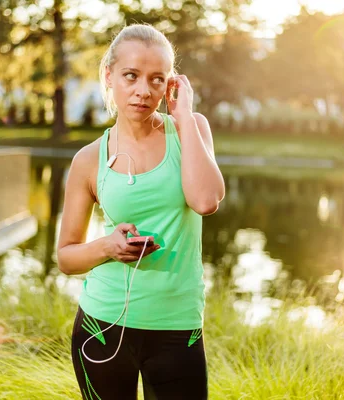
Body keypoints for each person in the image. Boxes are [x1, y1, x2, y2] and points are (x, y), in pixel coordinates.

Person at [57, 23, 225, 400]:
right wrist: (108, 247)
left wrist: (183, 116)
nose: (143, 90)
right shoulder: (88, 160)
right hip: (102, 326)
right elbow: (66, 257)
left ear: (170, 85)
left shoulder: (191, 129)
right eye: (131, 76)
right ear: (109, 76)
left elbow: (205, 200)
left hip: (176, 326)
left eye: (156, 79)